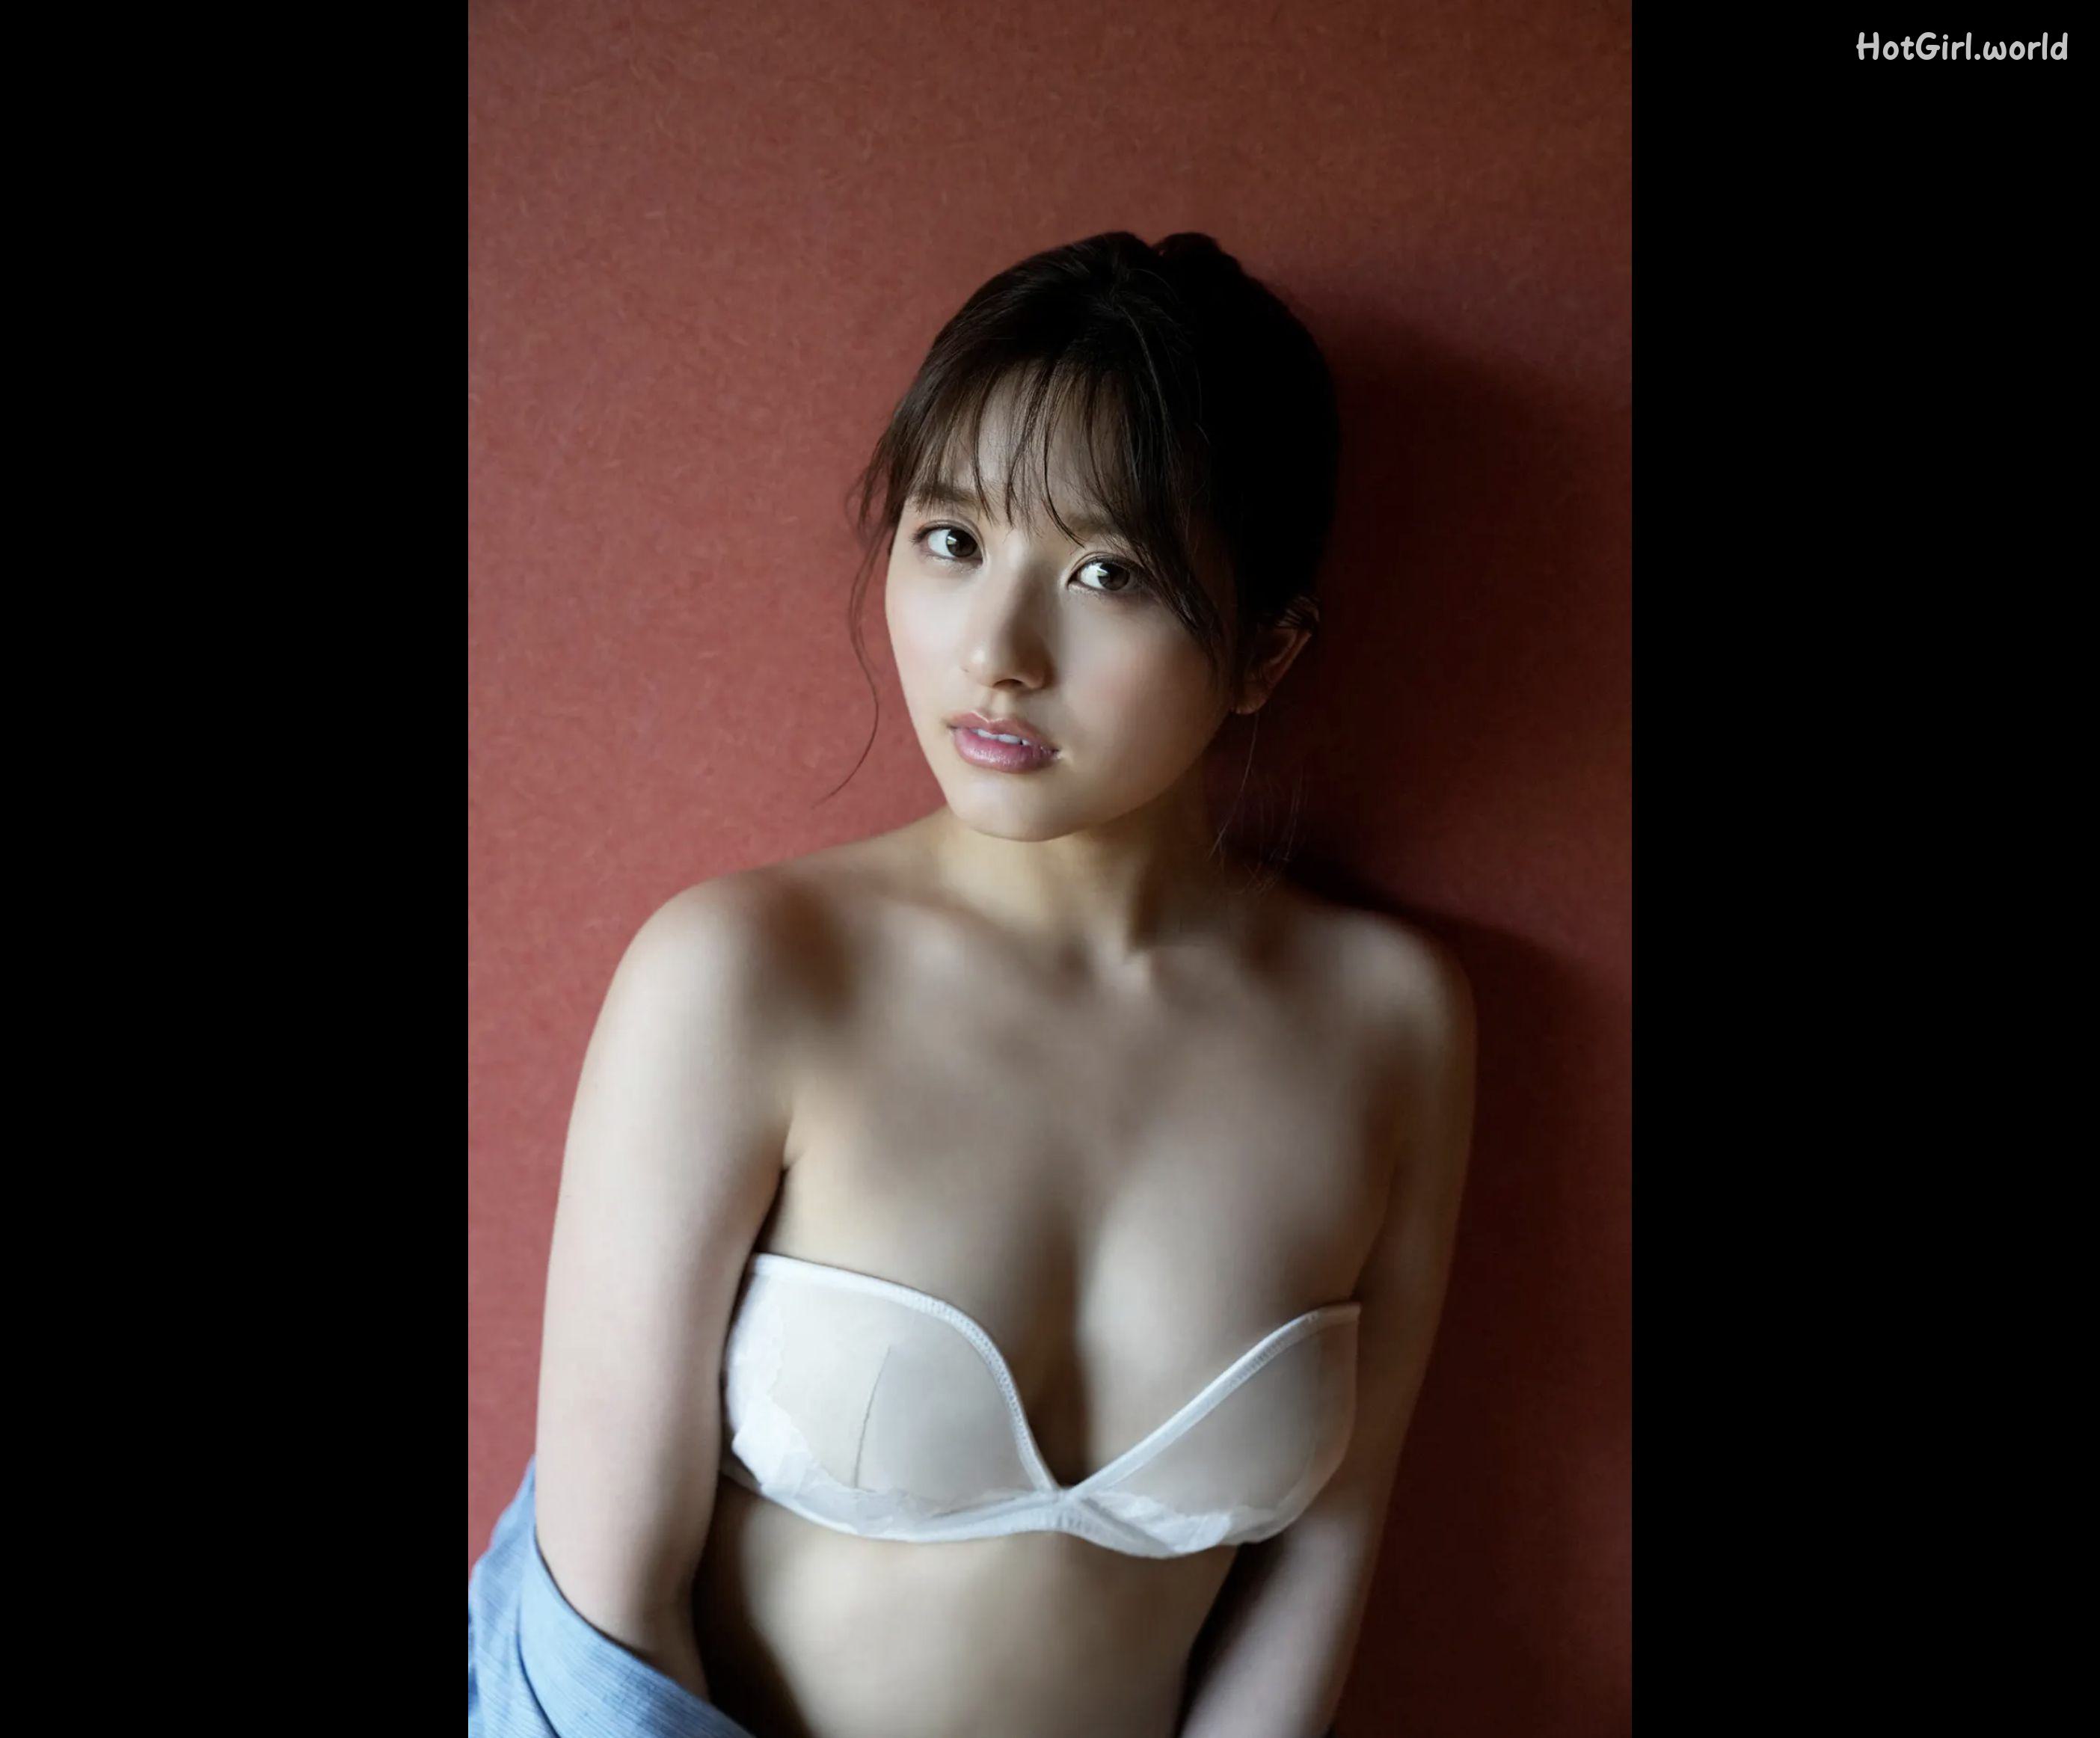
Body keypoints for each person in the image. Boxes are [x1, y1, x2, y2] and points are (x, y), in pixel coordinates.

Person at [470, 230, 1478, 1738]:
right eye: (951, 538)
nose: (996, 651)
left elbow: (1327, 1551)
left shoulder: (1391, 1023)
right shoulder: (745, 974)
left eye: (1107, 572)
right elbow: (605, 1610)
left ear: (1266, 652)